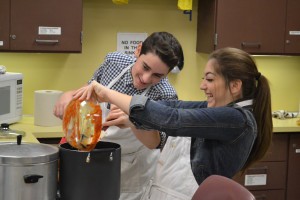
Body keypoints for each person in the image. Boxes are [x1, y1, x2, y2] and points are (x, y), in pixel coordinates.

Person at [73, 47, 273, 200]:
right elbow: (172, 108)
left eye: (210, 79)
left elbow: (172, 119)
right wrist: (131, 118)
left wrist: (107, 93)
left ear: (236, 85)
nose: (202, 85)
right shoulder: (215, 110)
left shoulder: (237, 120)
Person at [53, 31, 184, 200]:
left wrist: (133, 122)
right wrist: (68, 96)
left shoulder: (166, 95)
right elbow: (88, 92)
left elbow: (157, 142)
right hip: (95, 159)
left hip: (130, 174)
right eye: (145, 67)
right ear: (138, 51)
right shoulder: (114, 62)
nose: (145, 78)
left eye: (157, 76)